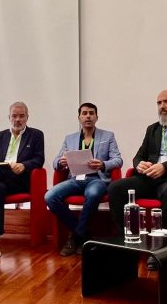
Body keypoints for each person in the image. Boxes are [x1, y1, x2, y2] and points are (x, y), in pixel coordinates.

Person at [108, 90, 167, 231]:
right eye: (159, 103)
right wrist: (139, 165)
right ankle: (126, 234)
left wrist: (165, 167)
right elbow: (139, 156)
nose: (162, 106)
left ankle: (163, 239)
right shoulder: (152, 129)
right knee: (115, 188)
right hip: (148, 178)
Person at [46, 103, 123, 256]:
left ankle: (75, 237)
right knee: (50, 196)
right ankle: (83, 234)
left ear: (96, 117)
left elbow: (118, 160)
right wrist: (60, 162)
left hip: (97, 179)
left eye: (91, 113)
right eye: (85, 113)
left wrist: (103, 164)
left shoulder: (108, 136)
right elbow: (55, 162)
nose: (88, 116)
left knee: (93, 194)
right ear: (79, 117)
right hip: (75, 179)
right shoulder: (69, 139)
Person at [0, 101, 45, 258]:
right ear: (9, 117)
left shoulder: (36, 135)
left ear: (27, 117)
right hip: (0, 178)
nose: (17, 119)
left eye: (21, 116)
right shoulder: (1, 136)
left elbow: (39, 159)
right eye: (14, 116)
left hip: (20, 179)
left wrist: (24, 165)